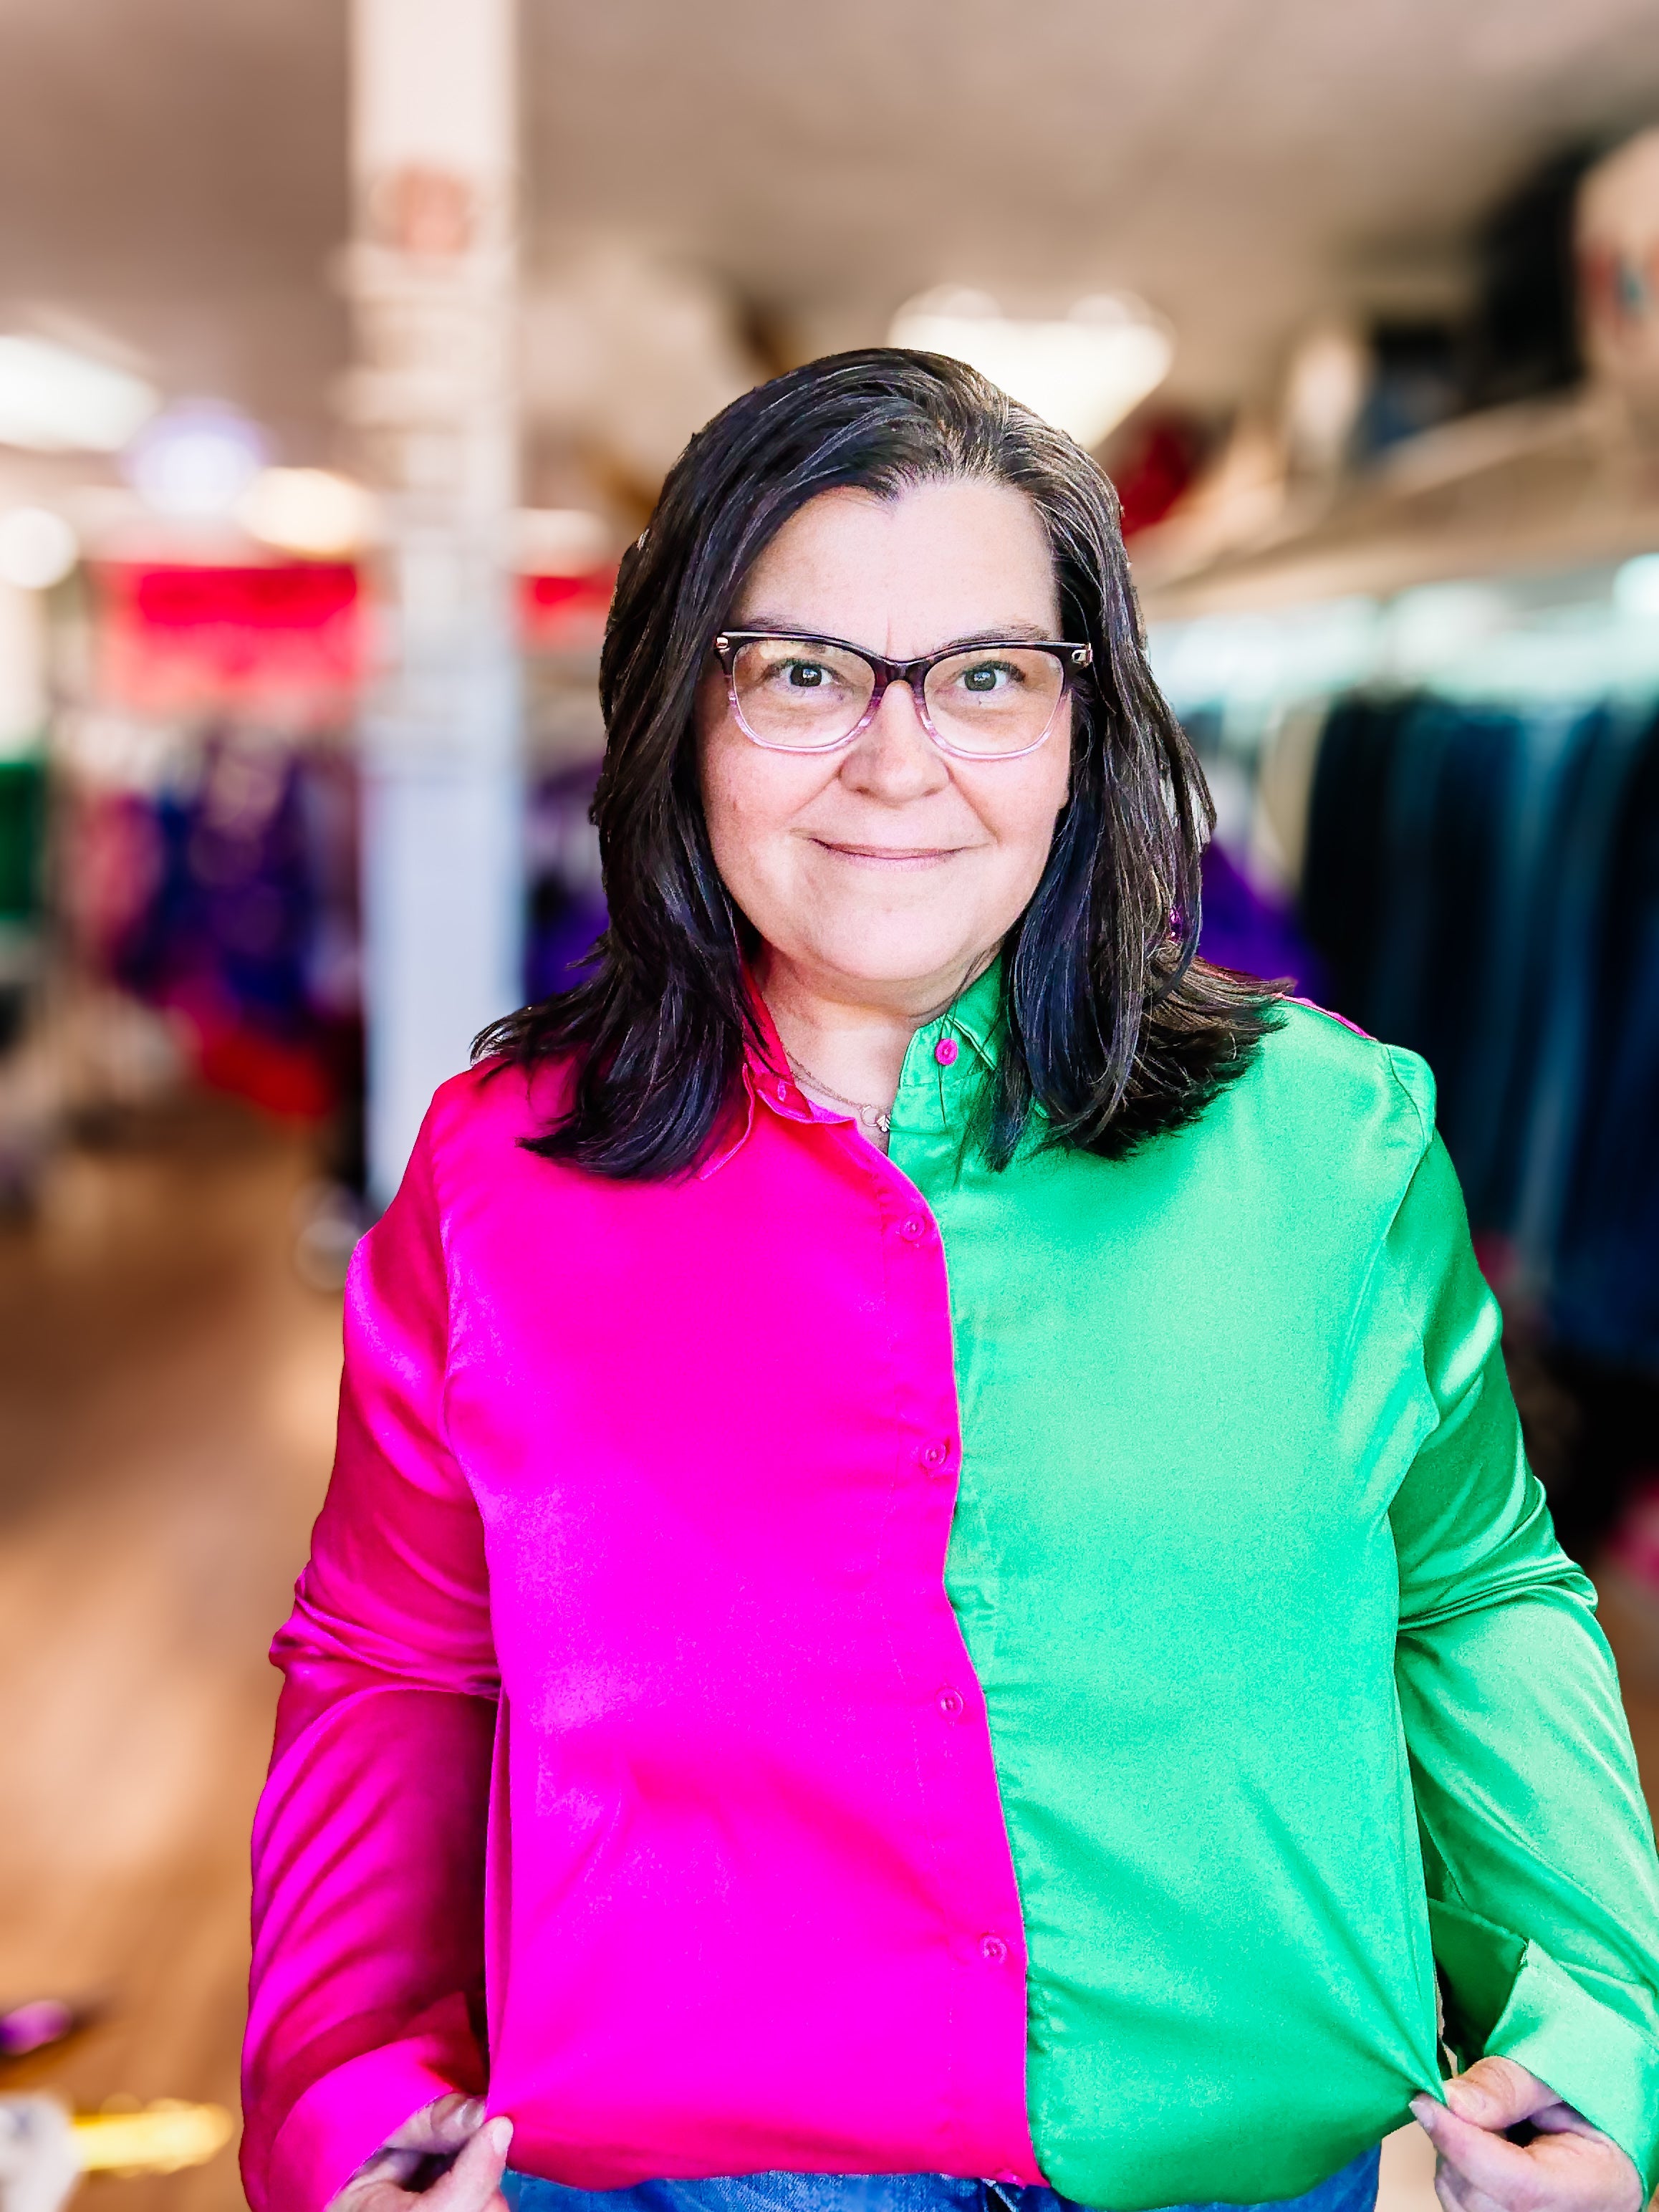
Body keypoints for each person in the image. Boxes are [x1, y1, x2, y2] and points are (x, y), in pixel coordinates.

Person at [241, 353, 1659, 2212]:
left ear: (1083, 729)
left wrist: (1592, 2031)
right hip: (684, 2187)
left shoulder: (1332, 1142)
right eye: (804, 673)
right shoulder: (498, 1180)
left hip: (1249, 2178)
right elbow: (389, 1662)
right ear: (684, 708)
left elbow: (1474, 1592)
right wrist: (349, 2093)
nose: (895, 762)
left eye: (984, 677)